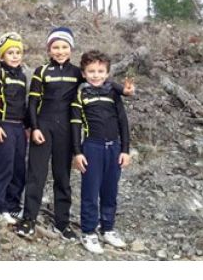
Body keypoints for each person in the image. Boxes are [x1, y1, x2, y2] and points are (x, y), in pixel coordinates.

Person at [15, 27, 133, 239]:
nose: (60, 51)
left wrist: (123, 90)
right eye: (55, 47)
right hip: (43, 127)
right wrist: (34, 127)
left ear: (71, 49)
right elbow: (32, 102)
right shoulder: (42, 71)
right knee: (36, 175)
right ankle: (28, 219)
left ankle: (62, 223)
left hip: (66, 130)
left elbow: (103, 81)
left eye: (64, 47)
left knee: (62, 176)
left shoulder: (78, 73)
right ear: (49, 50)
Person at [71, 50, 131, 254]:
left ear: (107, 73)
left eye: (100, 71)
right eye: (91, 71)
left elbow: (123, 122)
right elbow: (75, 125)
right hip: (92, 147)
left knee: (110, 191)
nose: (96, 75)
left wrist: (125, 150)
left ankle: (108, 229)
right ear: (83, 73)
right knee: (90, 192)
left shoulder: (113, 93)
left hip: (114, 148)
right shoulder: (80, 94)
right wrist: (77, 152)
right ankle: (88, 232)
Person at [0, 32, 28, 224]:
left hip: (19, 127)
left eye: (17, 52)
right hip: (4, 125)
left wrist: (28, 126)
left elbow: (24, 104)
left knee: (18, 168)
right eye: (10, 53)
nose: (14, 56)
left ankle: (13, 206)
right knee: (3, 168)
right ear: (2, 55)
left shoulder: (23, 76)